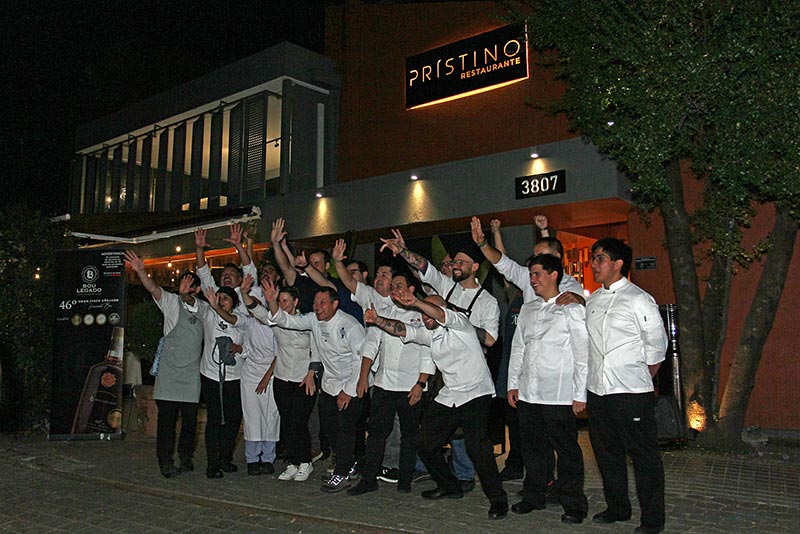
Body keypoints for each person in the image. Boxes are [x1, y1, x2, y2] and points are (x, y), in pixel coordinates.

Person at [366, 290, 508, 520]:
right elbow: (403, 329)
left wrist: (417, 302)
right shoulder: (429, 334)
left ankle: (498, 499)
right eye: (422, 314)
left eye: (428, 312)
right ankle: (449, 486)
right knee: (424, 443)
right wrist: (377, 320)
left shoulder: (459, 322)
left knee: (477, 446)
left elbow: (439, 314)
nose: (425, 317)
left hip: (476, 391)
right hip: (450, 394)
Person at [384, 228, 500, 492]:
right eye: (454, 261)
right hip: (444, 372)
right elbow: (425, 268)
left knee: (473, 442)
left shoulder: (487, 302)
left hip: (473, 376)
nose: (455, 265)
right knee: (430, 438)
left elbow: (491, 339)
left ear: (475, 267)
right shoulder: (448, 287)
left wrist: (458, 323)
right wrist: (403, 251)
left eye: (461, 262)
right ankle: (450, 484)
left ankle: (473, 481)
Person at [585, 238, 667, 534]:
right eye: (593, 258)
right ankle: (617, 507)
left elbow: (656, 347)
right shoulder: (592, 301)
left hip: (631, 393)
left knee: (644, 458)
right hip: (598, 392)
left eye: (600, 258)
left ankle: (652, 520)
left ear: (618, 264)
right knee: (607, 454)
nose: (594, 264)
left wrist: (638, 378)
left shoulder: (639, 299)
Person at [257, 280, 366, 493]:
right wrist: (272, 302)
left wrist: (348, 391)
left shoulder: (350, 325)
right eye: (315, 302)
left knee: (345, 430)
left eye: (322, 303)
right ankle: (348, 463)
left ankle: (342, 473)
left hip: (351, 385)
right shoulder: (313, 320)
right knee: (330, 429)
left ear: (335, 304)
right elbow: (287, 321)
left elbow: (360, 360)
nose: (317, 307)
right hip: (329, 384)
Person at [507, 254, 589, 523]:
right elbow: (518, 348)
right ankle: (534, 495)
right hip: (529, 392)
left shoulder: (570, 308)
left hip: (559, 393)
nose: (533, 279)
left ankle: (573, 502)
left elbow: (582, 353)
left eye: (538, 274)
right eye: (531, 274)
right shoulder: (528, 309)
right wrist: (513, 384)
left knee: (566, 450)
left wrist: (580, 394)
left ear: (554, 275)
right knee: (533, 449)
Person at [347, 273, 435, 496]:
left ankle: (405, 479)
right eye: (393, 287)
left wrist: (421, 384)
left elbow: (428, 353)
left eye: (399, 286)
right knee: (376, 434)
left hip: (411, 386)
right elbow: (370, 346)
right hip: (384, 384)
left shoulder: (421, 316)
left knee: (408, 436)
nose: (395, 290)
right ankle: (369, 479)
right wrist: (363, 377)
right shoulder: (383, 313)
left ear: (411, 290)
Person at [125, 251, 206, 478]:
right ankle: (165, 462)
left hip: (191, 375)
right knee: (167, 421)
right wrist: (141, 271)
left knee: (190, 421)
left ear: (197, 289)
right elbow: (153, 288)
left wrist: (186, 296)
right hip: (169, 374)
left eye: (189, 286)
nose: (184, 288)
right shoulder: (170, 302)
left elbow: (195, 306)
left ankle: (186, 456)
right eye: (182, 284)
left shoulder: (203, 308)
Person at [240, 280, 318, 482]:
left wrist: (311, 372)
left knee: (298, 422)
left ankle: (305, 462)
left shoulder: (308, 321)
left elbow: (317, 349)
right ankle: (293, 462)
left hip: (304, 379)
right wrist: (244, 293)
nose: (282, 304)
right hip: (282, 378)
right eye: (279, 300)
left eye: (285, 300)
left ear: (296, 302)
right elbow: (258, 311)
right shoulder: (275, 320)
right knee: (286, 422)